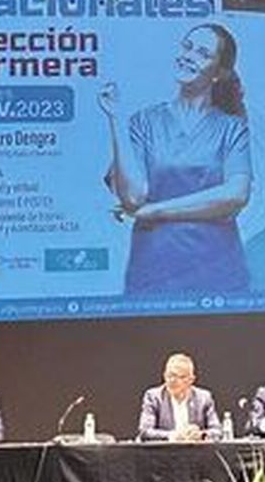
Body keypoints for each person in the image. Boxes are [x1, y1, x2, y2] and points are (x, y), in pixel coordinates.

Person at [99, 23, 252, 294]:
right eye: (187, 47)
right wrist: (116, 117)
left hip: (219, 274)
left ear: (219, 72)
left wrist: (154, 211)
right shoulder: (144, 122)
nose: (189, 56)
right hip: (153, 271)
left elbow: (235, 195)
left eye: (203, 53)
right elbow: (133, 197)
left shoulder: (231, 128)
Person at [138, 353, 223, 441]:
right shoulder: (154, 397)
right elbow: (145, 432)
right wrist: (173, 435)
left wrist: (201, 435)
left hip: (195, 453)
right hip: (164, 453)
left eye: (179, 377)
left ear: (191, 380)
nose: (172, 381)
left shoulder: (203, 398)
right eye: (169, 375)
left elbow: (217, 431)